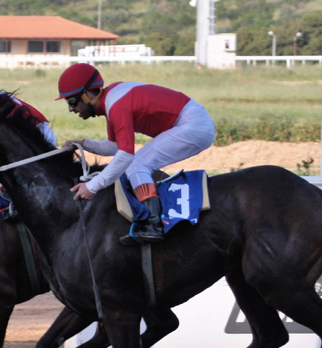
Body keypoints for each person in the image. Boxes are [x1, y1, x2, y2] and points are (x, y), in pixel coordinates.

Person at [57, 63, 215, 245]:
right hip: (192, 122)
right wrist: (83, 144)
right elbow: (114, 147)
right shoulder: (111, 100)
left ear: (87, 94)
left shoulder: (116, 105)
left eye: (72, 101)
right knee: (136, 163)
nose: (71, 109)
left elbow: (125, 155)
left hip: (193, 124)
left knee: (136, 164)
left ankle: (153, 224)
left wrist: (93, 186)